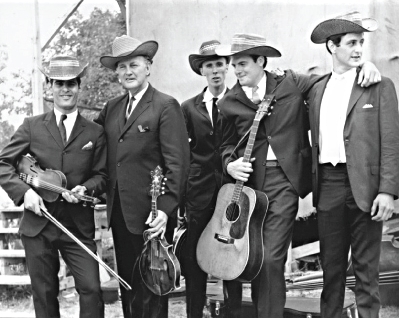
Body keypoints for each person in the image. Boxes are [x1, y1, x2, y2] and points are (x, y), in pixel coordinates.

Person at [215, 33, 381, 318]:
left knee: (271, 258)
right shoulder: (228, 101)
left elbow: (331, 81)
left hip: (284, 182)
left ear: (261, 61)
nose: (236, 70)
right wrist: (230, 164)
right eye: (233, 65)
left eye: (242, 63)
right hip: (248, 189)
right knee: (252, 258)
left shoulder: (291, 82)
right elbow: (226, 146)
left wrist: (363, 67)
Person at [0, 55, 107, 318]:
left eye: (71, 83)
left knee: (92, 289)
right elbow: (4, 163)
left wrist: (86, 189)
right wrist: (25, 193)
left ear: (79, 86)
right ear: (50, 86)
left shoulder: (94, 132)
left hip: (76, 226)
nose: (65, 89)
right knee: (46, 296)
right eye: (59, 83)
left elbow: (102, 175)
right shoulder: (32, 126)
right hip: (38, 226)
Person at [308, 12, 399, 318]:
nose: (359, 49)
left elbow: (391, 142)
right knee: (331, 272)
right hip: (329, 185)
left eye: (361, 43)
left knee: (366, 273)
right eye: (351, 43)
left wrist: (388, 191)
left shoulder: (379, 85)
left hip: (367, 189)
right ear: (332, 47)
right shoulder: (315, 88)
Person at [96, 35, 189, 318]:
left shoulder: (165, 105)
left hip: (153, 217)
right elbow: (90, 146)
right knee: (129, 287)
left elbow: (179, 164)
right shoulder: (111, 108)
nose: (128, 72)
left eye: (134, 65)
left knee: (152, 288)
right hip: (120, 214)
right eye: (121, 67)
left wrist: (165, 210)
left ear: (148, 66)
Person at [181, 40, 230, 318]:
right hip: (198, 193)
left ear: (227, 67)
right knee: (194, 258)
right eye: (209, 65)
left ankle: (230, 312)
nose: (215, 71)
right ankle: (194, 314)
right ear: (202, 70)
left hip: (231, 192)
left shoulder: (239, 102)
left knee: (231, 256)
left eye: (219, 64)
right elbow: (184, 152)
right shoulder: (189, 108)